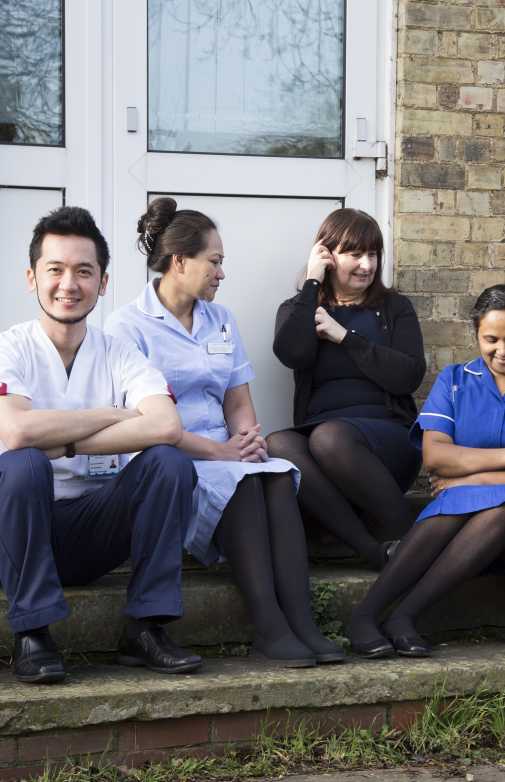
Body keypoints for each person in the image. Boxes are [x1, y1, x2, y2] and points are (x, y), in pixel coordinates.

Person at [0, 206, 201, 685]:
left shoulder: (120, 353)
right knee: (24, 463)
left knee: (169, 462)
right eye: (55, 270)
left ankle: (146, 628)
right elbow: (17, 432)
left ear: (102, 283)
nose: (69, 284)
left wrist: (63, 444)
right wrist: (112, 414)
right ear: (32, 278)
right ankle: (33, 634)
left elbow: (167, 425)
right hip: (1, 530)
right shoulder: (2, 350)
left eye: (84, 271)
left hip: (86, 528)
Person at [104, 197, 345, 668]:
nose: (221, 273)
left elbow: (236, 401)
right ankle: (269, 627)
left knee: (277, 473)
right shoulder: (127, 326)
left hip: (225, 451)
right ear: (180, 262)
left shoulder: (222, 319)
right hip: (168, 459)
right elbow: (141, 423)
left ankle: (302, 623)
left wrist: (247, 441)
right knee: (241, 481)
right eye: (213, 262)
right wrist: (223, 454)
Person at [344, 285, 505, 658]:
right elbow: (435, 457)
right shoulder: (454, 380)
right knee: (463, 504)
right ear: (476, 334)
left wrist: (470, 479)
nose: (502, 350)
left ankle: (405, 616)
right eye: (491, 339)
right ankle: (364, 616)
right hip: (462, 518)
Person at [266, 209, 426, 571]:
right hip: (324, 451)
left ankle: (418, 540)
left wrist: (345, 337)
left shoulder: (395, 308)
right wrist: (312, 282)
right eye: (354, 254)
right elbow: (293, 354)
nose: (366, 265)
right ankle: (371, 550)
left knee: (329, 437)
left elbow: (408, 377)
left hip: (387, 443)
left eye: (373, 254)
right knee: (277, 444)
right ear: (326, 255)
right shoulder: (298, 309)